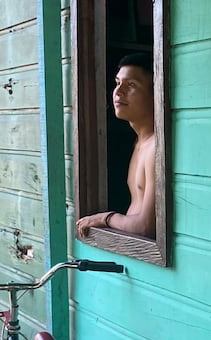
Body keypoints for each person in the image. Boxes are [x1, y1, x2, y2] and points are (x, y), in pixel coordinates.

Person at [76, 52, 156, 239]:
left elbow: (146, 227)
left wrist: (105, 218)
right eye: (118, 83)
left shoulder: (155, 149)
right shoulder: (139, 142)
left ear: (156, 93)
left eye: (131, 85)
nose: (118, 92)